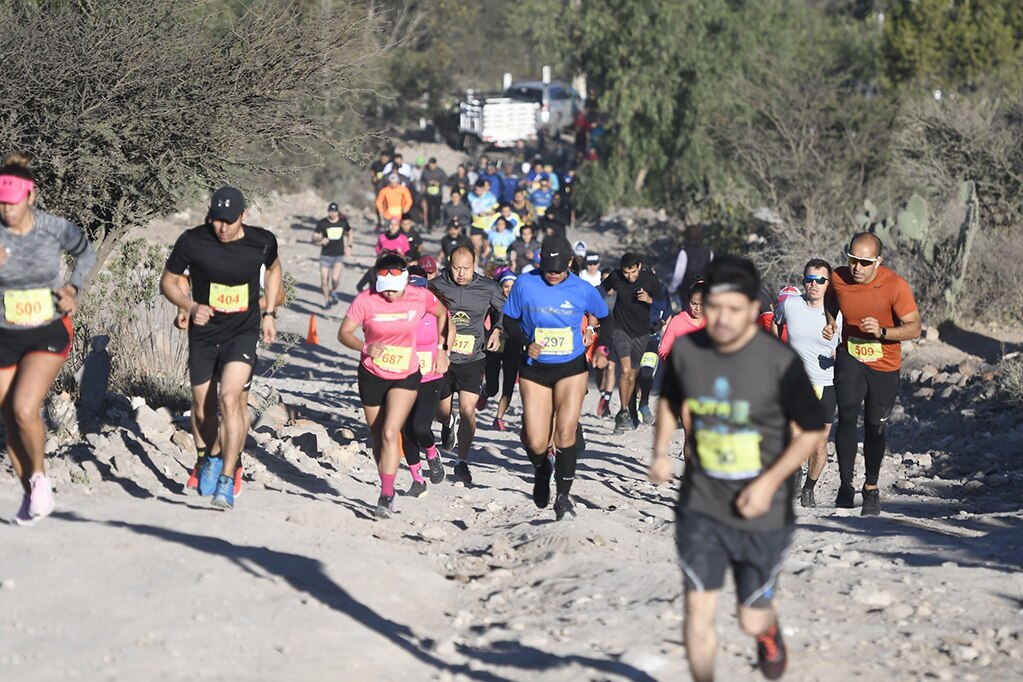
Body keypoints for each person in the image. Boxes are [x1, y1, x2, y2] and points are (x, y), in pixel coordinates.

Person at [650, 255, 825, 682]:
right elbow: (671, 402)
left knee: (750, 618)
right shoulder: (689, 351)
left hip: (761, 509)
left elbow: (811, 431)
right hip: (702, 503)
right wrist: (660, 452)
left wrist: (768, 483)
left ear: (752, 309)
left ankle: (767, 632)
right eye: (714, 307)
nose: (722, 318)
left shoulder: (779, 360)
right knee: (698, 610)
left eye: (733, 308)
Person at [161, 187, 282, 509]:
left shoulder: (263, 241)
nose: (223, 228)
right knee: (202, 406)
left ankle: (228, 478)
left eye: (230, 221)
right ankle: (209, 456)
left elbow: (274, 271)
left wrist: (268, 313)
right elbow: (169, 280)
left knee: (230, 399)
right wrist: (187, 306)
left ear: (243, 216)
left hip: (241, 332)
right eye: (217, 220)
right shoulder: (193, 240)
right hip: (204, 333)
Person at [0, 153, 97, 525]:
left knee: (25, 407)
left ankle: (39, 480)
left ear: (30, 197)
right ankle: (30, 492)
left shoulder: (54, 228)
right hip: (5, 333)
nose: (7, 211)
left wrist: (73, 286)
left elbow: (85, 251)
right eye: (1, 204)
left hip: (47, 329)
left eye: (12, 203)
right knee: (10, 416)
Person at [502, 237, 609, 520]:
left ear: (570, 264)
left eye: (559, 270)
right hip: (534, 368)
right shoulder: (525, 284)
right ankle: (541, 468)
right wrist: (525, 343)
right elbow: (509, 321)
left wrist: (601, 346)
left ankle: (563, 497)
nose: (553, 274)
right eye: (548, 268)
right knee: (537, 441)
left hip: (570, 367)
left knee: (565, 433)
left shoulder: (583, 289)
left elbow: (605, 317)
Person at [338, 254, 450, 517]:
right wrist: (366, 347)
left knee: (391, 432)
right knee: (377, 435)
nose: (389, 291)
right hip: (372, 374)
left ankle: (387, 495)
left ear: (403, 280)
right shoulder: (365, 300)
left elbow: (442, 314)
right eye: (384, 285)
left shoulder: (418, 296)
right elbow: (344, 333)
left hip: (406, 374)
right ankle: (385, 482)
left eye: (394, 285)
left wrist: (442, 349)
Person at [824, 233, 920, 515]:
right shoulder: (838, 278)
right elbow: (831, 298)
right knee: (847, 415)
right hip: (850, 356)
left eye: (865, 262)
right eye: (852, 259)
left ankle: (871, 487)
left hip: (884, 364)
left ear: (878, 261)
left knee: (875, 426)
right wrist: (831, 322)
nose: (857, 267)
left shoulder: (894, 286)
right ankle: (845, 486)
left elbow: (914, 327)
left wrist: (883, 332)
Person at [430, 246, 506, 484]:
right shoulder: (437, 285)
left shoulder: (489, 287)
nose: (461, 273)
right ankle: (447, 422)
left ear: (475, 265)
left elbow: (505, 311)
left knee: (467, 409)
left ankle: (461, 462)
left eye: (466, 268)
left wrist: (497, 329)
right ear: (448, 264)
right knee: (441, 411)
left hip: (473, 358)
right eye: (456, 268)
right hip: (443, 357)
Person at [772, 260, 841, 508]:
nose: (814, 284)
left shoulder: (839, 314)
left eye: (821, 280)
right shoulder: (790, 305)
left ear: (828, 284)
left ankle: (809, 487)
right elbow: (775, 321)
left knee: (820, 444)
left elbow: (848, 346)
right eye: (810, 279)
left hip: (827, 383)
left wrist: (838, 355)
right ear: (803, 281)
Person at [398, 266, 454, 495]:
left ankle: (432, 453)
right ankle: (417, 480)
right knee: (405, 429)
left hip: (431, 376)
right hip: (404, 376)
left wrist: (445, 353)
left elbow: (451, 329)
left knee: (420, 427)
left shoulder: (437, 310)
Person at [600, 253, 665, 434]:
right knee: (626, 370)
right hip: (620, 330)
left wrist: (649, 300)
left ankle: (630, 411)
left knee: (633, 376)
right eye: (626, 272)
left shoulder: (650, 280)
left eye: (633, 272)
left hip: (642, 334)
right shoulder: (616, 276)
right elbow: (599, 291)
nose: (629, 276)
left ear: (639, 266)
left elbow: (663, 304)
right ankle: (622, 411)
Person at [478, 270, 521, 431]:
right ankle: (485, 392)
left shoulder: (521, 303)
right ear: (500, 287)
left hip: (513, 346)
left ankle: (498, 418)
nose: (509, 289)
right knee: (493, 387)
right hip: (495, 345)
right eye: (506, 286)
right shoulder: (494, 302)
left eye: (512, 286)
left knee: (509, 385)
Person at [311, 202, 352, 309]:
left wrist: (349, 246)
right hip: (325, 256)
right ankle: (326, 301)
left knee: (334, 278)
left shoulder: (343, 223)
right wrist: (320, 239)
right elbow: (314, 236)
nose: (333, 214)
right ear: (328, 211)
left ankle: (333, 291)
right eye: (331, 211)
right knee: (324, 280)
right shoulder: (322, 223)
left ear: (338, 212)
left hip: (338, 255)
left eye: (335, 212)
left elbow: (350, 232)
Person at [669, 224, 714, 306]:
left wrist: (672, 289)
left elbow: (679, 274)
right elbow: (711, 272)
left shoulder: (684, 252)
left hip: (687, 290)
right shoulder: (709, 252)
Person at [468, 180, 499, 262]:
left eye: (479, 190)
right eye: (475, 190)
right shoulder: (470, 196)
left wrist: (486, 213)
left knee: (486, 246)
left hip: (487, 225)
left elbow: (495, 210)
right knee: (476, 246)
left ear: (483, 188)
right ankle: (476, 262)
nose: (477, 192)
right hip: (475, 224)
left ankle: (485, 262)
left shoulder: (490, 197)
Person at [419, 157, 447, 230]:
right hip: (428, 194)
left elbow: (446, 180)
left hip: (438, 194)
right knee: (429, 209)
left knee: (437, 209)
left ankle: (437, 221)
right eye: (429, 164)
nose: (431, 166)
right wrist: (425, 185)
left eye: (432, 164)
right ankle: (429, 225)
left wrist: (438, 183)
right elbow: (422, 180)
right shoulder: (425, 171)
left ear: (435, 164)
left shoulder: (440, 171)